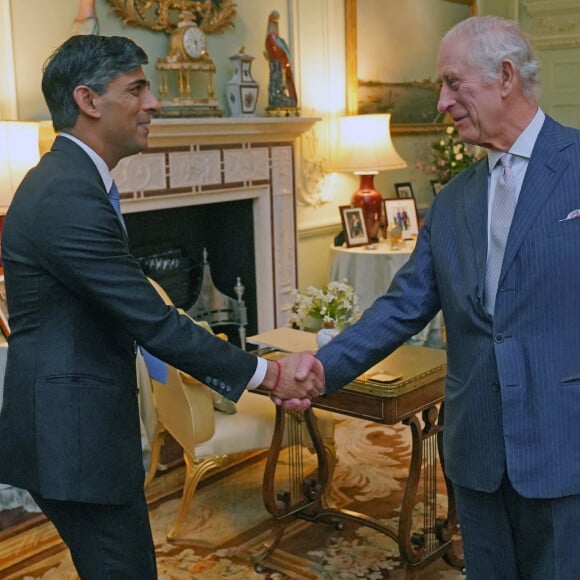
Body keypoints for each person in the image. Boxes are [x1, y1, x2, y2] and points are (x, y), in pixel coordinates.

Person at [0, 34, 322, 580]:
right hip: (74, 440)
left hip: (70, 432)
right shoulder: (67, 197)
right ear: (88, 100)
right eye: (137, 89)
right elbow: (152, 321)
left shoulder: (71, 182)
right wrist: (269, 376)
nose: (155, 103)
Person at [289, 15, 580, 580]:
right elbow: (402, 307)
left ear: (504, 76)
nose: (442, 102)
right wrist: (318, 370)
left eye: (453, 83)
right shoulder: (452, 201)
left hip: (565, 440)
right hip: (476, 450)